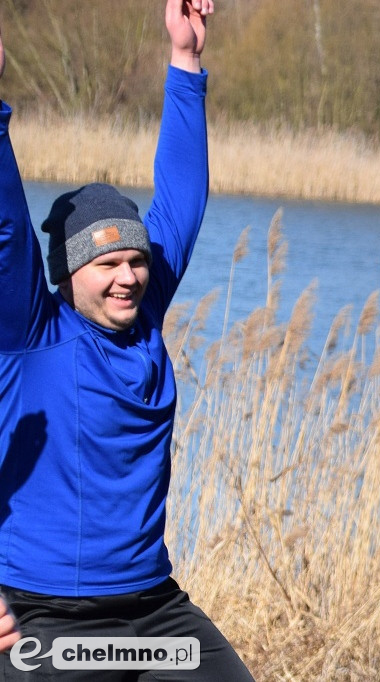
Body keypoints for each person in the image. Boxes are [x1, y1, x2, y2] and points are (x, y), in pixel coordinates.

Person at [0, 2, 254, 679]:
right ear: (68, 273)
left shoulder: (143, 318)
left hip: (151, 612)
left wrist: (186, 61)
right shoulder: (31, 332)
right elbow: (5, 230)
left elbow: (183, 199)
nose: (128, 277)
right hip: (47, 617)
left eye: (137, 261)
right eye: (107, 265)